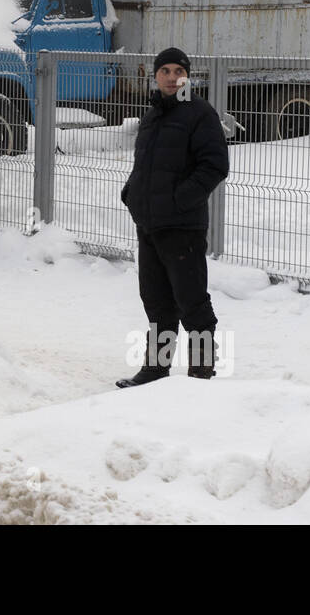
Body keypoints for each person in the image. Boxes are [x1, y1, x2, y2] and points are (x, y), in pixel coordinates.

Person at [117, 46, 230, 388]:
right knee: (156, 300)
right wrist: (132, 192)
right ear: (155, 76)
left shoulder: (199, 113)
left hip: (183, 226)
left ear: (187, 76)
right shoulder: (152, 116)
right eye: (164, 71)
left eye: (177, 71)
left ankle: (201, 369)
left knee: (191, 300)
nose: (171, 77)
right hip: (149, 225)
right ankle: (156, 368)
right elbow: (147, 166)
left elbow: (215, 166)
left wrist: (181, 200)